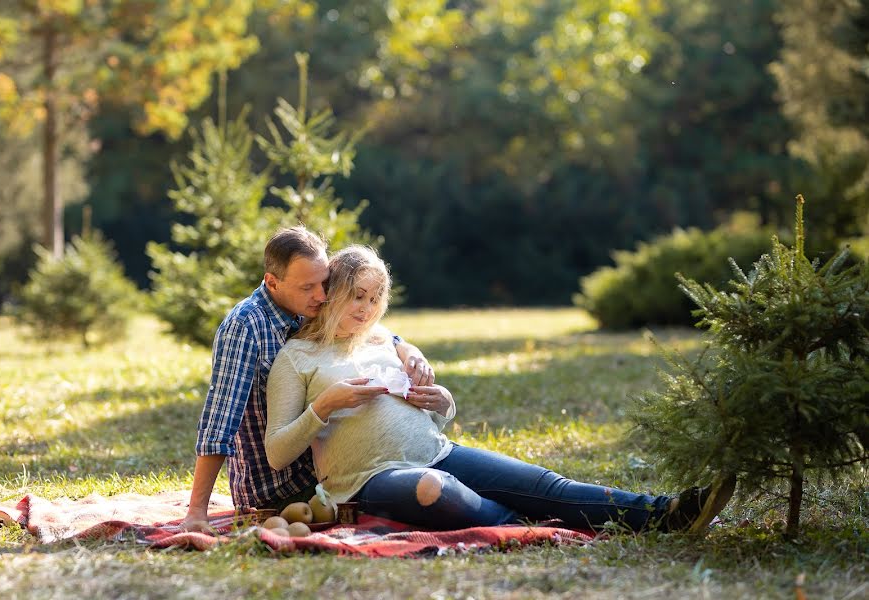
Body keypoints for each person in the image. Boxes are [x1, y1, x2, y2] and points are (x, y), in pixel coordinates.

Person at [265, 245, 736, 533]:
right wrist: (325, 405)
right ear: (331, 293)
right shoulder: (297, 359)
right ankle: (521, 519)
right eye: (357, 297)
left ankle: (666, 513)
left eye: (375, 298)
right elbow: (277, 453)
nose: (367, 309)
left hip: (438, 449)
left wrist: (442, 401)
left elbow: (435, 413)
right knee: (434, 490)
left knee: (544, 482)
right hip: (368, 481)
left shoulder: (386, 341)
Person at [181, 227, 434, 532]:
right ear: (272, 282)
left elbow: (373, 332)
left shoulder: (309, 306)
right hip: (281, 488)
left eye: (323, 282)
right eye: (307, 287)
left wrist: (406, 349)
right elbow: (220, 420)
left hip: (328, 469)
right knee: (415, 501)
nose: (321, 295)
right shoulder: (245, 327)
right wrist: (197, 512)